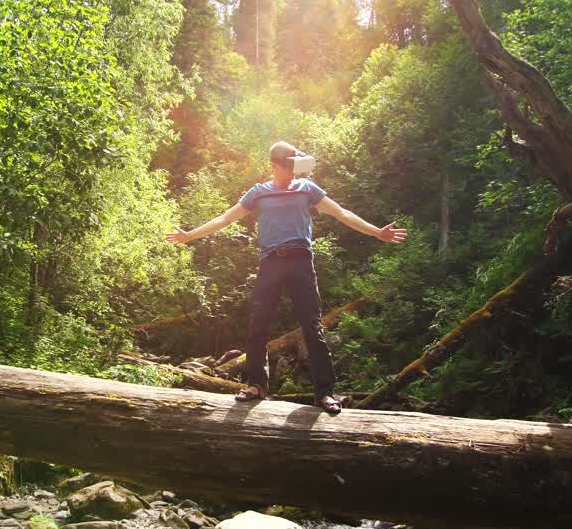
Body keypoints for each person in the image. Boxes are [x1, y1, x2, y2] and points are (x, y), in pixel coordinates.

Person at [166, 141, 406, 415]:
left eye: (295, 166)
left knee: (312, 327)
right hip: (270, 263)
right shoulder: (259, 193)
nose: (293, 171)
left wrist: (377, 232)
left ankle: (325, 393)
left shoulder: (307, 188)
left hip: (301, 261)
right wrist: (189, 236)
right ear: (275, 165)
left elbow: (341, 213)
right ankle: (256, 385)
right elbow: (224, 219)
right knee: (258, 325)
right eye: (288, 166)